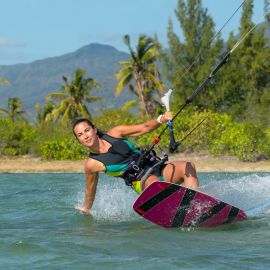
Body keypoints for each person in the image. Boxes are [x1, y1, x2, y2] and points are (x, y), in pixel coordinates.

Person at [73, 112, 199, 215]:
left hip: (155, 166)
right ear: (78, 140)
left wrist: (161, 119)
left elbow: (145, 127)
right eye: (80, 135)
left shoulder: (116, 133)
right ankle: (180, 213)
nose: (85, 136)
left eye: (87, 130)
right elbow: (90, 190)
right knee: (155, 184)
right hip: (140, 181)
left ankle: (192, 208)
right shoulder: (92, 164)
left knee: (188, 166)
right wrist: (86, 209)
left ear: (94, 129)